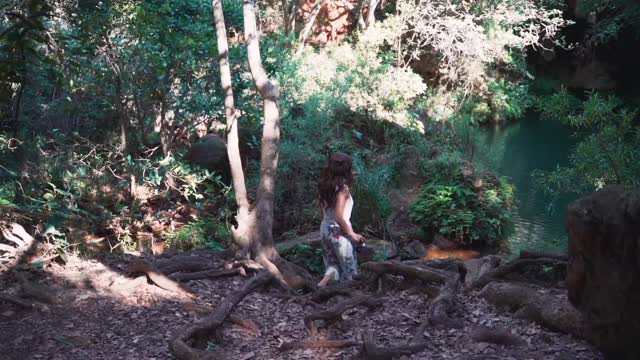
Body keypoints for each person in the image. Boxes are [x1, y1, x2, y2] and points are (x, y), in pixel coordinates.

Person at [317, 152, 365, 287]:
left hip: (325, 229)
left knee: (332, 263)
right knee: (349, 272)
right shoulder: (343, 190)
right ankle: (351, 300)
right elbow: (339, 216)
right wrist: (352, 234)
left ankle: (323, 284)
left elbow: (321, 209)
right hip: (339, 233)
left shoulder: (324, 185)